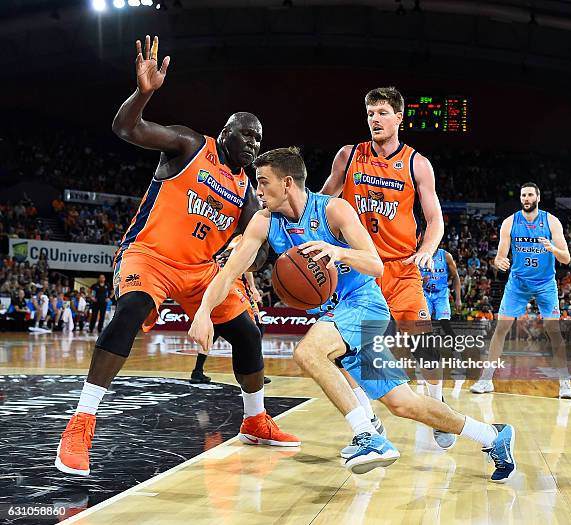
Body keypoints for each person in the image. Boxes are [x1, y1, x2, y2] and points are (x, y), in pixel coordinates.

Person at [189, 148, 517, 482]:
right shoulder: (264, 221)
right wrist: (203, 311)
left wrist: (337, 251)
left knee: (308, 352)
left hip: (364, 305)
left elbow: (375, 265)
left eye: (263, 183)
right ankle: (492, 436)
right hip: (337, 315)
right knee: (404, 404)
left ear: (287, 183)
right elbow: (229, 274)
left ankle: (367, 435)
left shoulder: (333, 209)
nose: (257, 192)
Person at [55, 35, 298, 478]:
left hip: (201, 271)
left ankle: (255, 419)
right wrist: (143, 95)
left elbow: (255, 243)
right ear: (225, 133)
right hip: (150, 256)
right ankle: (81, 422)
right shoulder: (189, 145)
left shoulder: (247, 190)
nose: (253, 142)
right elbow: (127, 129)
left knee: (247, 333)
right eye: (246, 133)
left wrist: (249, 273)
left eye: (259, 138)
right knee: (130, 312)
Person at [321, 86, 454, 451]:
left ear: (399, 117)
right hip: (360, 271)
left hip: (401, 270)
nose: (375, 120)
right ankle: (367, 416)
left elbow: (435, 219)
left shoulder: (416, 163)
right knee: (343, 351)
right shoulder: (349, 156)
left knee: (426, 343)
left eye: (382, 112)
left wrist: (427, 249)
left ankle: (437, 403)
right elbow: (322, 201)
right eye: (370, 114)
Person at [470, 182, 571, 399]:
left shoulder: (551, 222)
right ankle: (486, 380)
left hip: (545, 283)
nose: (526, 199)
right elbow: (500, 255)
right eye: (523, 195)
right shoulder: (510, 222)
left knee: (554, 332)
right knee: (501, 329)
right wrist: (499, 261)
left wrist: (552, 248)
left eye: (530, 195)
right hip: (518, 283)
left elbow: (566, 258)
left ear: (537, 197)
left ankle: (565, 384)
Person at [190, 235, 271, 386]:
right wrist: (253, 287)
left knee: (217, 329)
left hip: (219, 284)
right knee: (255, 328)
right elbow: (247, 266)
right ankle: (253, 370)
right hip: (234, 285)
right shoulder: (247, 238)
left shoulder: (237, 240)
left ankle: (197, 370)